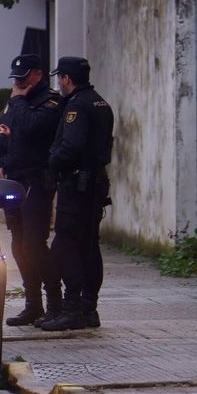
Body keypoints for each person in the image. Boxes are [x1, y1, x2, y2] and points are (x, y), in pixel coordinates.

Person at [40, 56, 115, 331]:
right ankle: (88, 309)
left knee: (64, 245)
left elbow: (70, 148)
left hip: (77, 185)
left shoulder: (76, 106)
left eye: (60, 78)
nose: (59, 83)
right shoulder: (100, 102)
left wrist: (51, 160)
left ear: (67, 79)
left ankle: (72, 308)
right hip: (96, 182)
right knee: (89, 245)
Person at [0, 53, 63, 327]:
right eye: (17, 79)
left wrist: (19, 100)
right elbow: (2, 134)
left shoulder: (51, 102)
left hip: (37, 180)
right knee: (18, 245)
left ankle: (55, 303)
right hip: (15, 180)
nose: (20, 83)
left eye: (24, 77)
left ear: (38, 74)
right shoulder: (16, 102)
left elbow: (32, 127)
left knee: (34, 244)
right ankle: (33, 304)